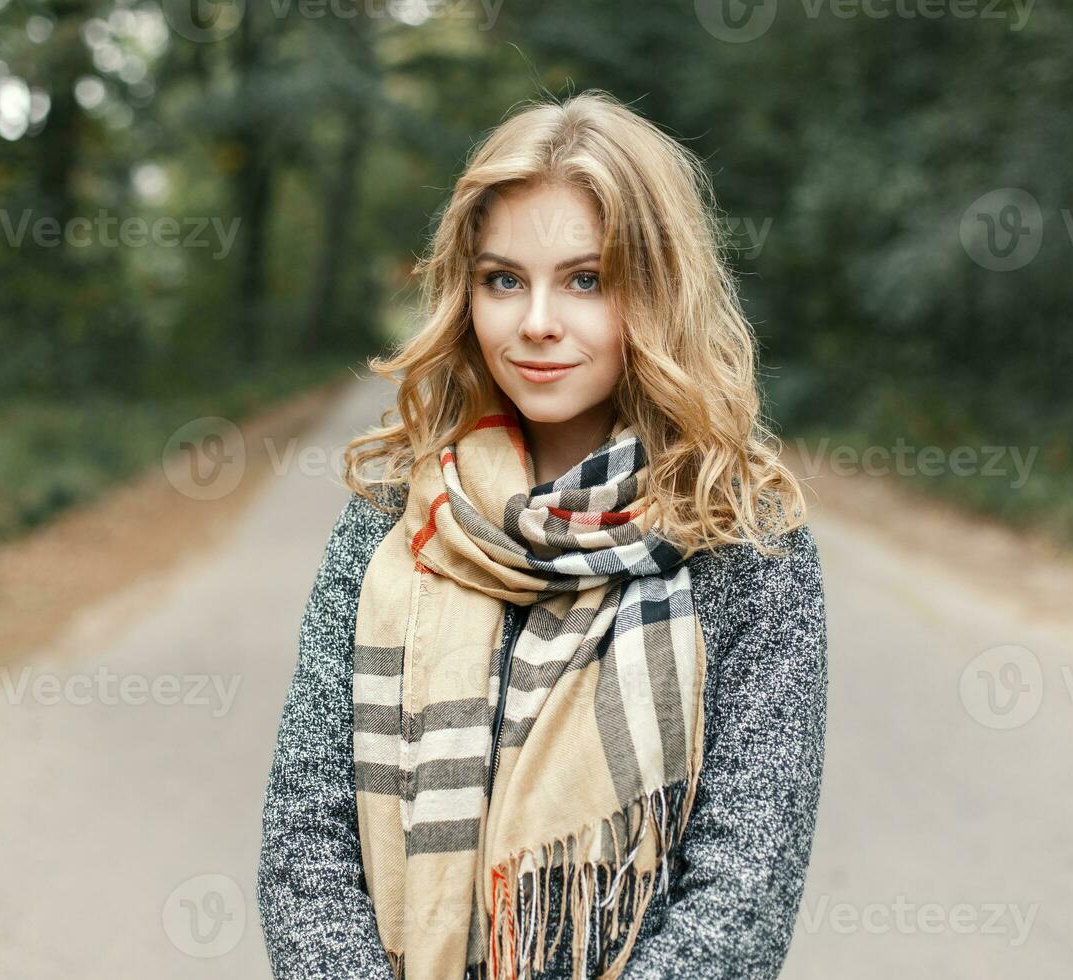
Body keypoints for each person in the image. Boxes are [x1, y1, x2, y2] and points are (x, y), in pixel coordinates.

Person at [257, 90, 828, 980]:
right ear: (465, 291)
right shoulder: (391, 516)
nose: (536, 323)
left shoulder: (745, 543)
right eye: (503, 279)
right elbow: (306, 840)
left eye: (587, 279)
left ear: (659, 288)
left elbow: (744, 890)